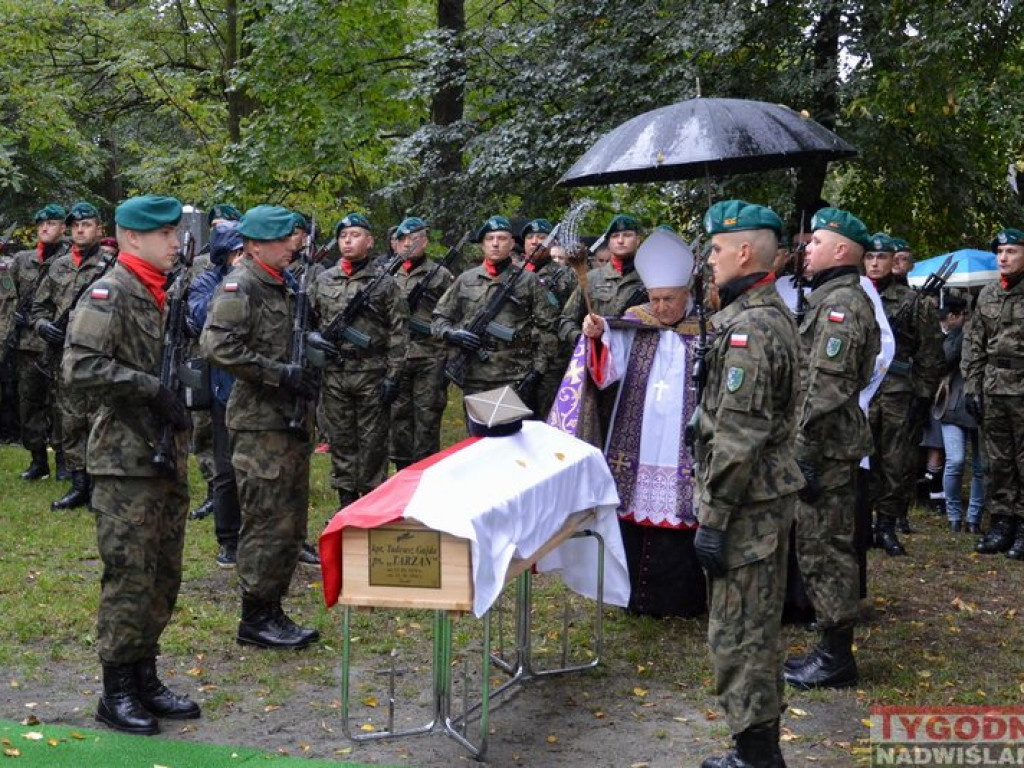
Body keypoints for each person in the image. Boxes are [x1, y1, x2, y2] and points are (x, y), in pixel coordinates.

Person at [64, 194, 199, 735]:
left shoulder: (161, 291)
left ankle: (145, 676)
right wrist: (148, 386)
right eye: (165, 234)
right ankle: (116, 689)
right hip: (125, 460)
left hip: (164, 455)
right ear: (133, 237)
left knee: (162, 575)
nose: (175, 242)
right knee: (129, 576)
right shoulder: (111, 291)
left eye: (175, 233)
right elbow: (79, 366)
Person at [694, 200, 801, 768]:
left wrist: (713, 519)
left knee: (740, 631)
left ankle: (756, 755)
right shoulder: (757, 315)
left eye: (715, 250)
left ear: (743, 252)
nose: (709, 260)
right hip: (759, 497)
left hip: (746, 505)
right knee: (749, 625)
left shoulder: (751, 329)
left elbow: (739, 436)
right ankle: (756, 747)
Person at [201, 204, 320, 649]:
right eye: (281, 239)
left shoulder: (281, 283)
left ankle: (272, 609)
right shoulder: (242, 284)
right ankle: (255, 617)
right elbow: (217, 344)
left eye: (292, 237)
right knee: (266, 521)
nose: (293, 246)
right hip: (259, 423)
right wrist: (278, 374)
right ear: (253, 245)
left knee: (288, 521)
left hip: (287, 420)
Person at [573, 228, 706, 618]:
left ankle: (679, 600)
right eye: (655, 298)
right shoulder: (636, 320)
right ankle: (632, 596)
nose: (660, 308)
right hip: (639, 437)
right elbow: (606, 370)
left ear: (687, 294)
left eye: (669, 299)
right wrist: (597, 336)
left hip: (683, 441)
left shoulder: (707, 328)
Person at [784, 208, 880, 690]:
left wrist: (803, 451)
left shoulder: (842, 305)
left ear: (841, 250)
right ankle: (829, 646)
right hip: (824, 443)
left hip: (825, 447)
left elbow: (826, 387)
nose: (806, 249)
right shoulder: (831, 298)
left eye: (816, 242)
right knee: (817, 544)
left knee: (827, 548)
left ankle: (837, 657)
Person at [307, 213, 407, 507]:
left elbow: (399, 332)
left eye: (355, 235)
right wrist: (314, 338)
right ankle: (346, 504)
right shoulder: (324, 280)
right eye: (343, 236)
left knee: (373, 442)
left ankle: (371, 504)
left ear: (370, 241)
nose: (348, 241)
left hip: (372, 373)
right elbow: (307, 320)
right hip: (335, 373)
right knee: (341, 440)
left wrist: (393, 377)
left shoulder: (385, 283)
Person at [863, 232, 943, 555]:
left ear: (892, 261)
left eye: (881, 257)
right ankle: (861, 523)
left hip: (898, 392)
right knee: (862, 460)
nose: (875, 263)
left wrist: (922, 397)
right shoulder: (856, 296)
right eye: (869, 257)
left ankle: (887, 525)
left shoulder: (912, 301)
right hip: (864, 391)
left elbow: (930, 352)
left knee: (897, 463)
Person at [31, 201, 111, 510]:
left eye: (86, 224)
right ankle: (79, 483)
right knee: (71, 419)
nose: (80, 230)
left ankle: (101, 484)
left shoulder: (112, 265)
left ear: (99, 229)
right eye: (76, 225)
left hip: (101, 355)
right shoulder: (58, 266)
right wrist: (43, 327)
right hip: (66, 356)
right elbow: (39, 307)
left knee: (101, 418)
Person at [433, 215, 558, 410]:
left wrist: (537, 370)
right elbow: (439, 318)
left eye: (502, 238)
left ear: (512, 244)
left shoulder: (529, 281)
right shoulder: (466, 279)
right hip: (475, 376)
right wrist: (451, 334)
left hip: (514, 375)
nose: (495, 244)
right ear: (482, 244)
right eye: (490, 239)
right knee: (478, 428)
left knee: (510, 428)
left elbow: (548, 328)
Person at [963, 228, 1024, 558]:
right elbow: (974, 344)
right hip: (994, 387)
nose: (1003, 257)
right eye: (1000, 252)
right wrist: (972, 387)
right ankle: (1002, 524)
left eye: (1011, 251)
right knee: (998, 461)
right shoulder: (987, 294)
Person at [188, 222, 245, 567]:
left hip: (263, 387)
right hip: (224, 385)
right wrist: (232, 285)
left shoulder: (270, 279)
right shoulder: (207, 282)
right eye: (239, 252)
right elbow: (199, 317)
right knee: (226, 467)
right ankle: (228, 539)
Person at [9, 203, 70, 481]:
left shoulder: (70, 260)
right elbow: (7, 297)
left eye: (52, 223)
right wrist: (14, 317)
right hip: (28, 345)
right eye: (41, 224)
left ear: (63, 227)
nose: (45, 228)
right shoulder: (22, 260)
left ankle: (64, 461)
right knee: (29, 403)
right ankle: (37, 459)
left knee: (61, 405)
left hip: (58, 345)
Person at [390, 216, 452, 470]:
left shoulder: (440, 275)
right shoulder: (387, 274)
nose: (408, 244)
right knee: (398, 417)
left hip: (430, 357)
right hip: (397, 357)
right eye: (403, 239)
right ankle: (402, 472)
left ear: (424, 241)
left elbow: (451, 315)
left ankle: (425, 470)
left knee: (427, 417)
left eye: (414, 239)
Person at [935, 292, 985, 534]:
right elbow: (943, 360)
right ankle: (954, 515)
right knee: (955, 461)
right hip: (954, 404)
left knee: (980, 467)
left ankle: (974, 518)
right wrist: (959, 334)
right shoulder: (955, 334)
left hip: (983, 404)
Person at [559, 214, 647, 347]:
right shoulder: (591, 279)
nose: (620, 240)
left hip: (637, 353)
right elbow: (566, 321)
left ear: (638, 240)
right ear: (609, 243)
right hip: (599, 354)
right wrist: (582, 339)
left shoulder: (649, 279)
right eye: (615, 236)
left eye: (627, 235)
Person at [520, 217, 577, 417]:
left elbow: (573, 316)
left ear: (552, 243)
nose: (535, 241)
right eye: (530, 237)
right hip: (516, 360)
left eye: (541, 237)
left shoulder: (567, 276)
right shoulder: (513, 273)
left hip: (553, 363)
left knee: (547, 418)